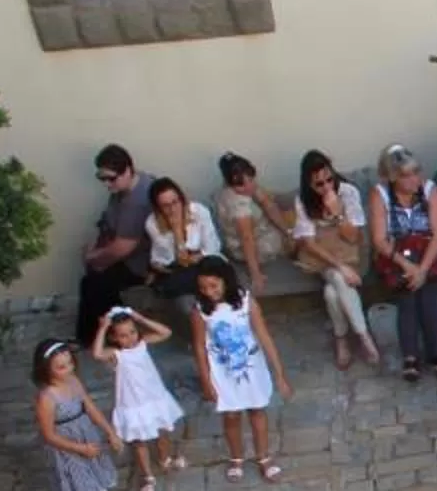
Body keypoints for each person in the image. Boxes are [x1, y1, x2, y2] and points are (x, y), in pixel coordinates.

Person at [188, 257, 286, 483]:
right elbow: (200, 348)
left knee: (257, 411)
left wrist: (278, 372)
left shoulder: (245, 301)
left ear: (226, 281)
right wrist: (205, 380)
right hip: (223, 371)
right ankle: (236, 457)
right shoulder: (200, 311)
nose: (209, 292)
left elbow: (263, 335)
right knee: (231, 415)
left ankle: (263, 456)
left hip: (252, 366)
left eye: (214, 286)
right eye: (203, 287)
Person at [29, 340, 123, 491]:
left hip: (88, 437)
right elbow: (49, 435)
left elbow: (90, 407)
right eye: (61, 367)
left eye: (70, 364)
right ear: (46, 370)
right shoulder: (47, 398)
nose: (68, 370)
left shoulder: (73, 382)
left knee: (96, 486)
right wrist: (79, 448)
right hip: (69, 448)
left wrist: (109, 431)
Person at [367, 147, 437, 384]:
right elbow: (379, 239)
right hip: (397, 258)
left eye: (416, 172)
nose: (415, 179)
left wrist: (422, 269)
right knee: (407, 300)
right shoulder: (380, 195)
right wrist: (408, 266)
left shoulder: (431, 191)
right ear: (393, 177)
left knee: (429, 300)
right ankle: (411, 356)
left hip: (429, 256)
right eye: (407, 175)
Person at [288, 152, 379, 370]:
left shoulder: (348, 192)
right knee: (339, 277)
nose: (327, 187)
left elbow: (354, 237)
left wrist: (337, 213)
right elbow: (309, 243)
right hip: (323, 257)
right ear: (309, 184)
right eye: (319, 184)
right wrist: (340, 266)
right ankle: (365, 337)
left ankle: (342, 340)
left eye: (330, 179)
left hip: (352, 252)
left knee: (332, 293)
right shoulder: (303, 200)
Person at [92, 306, 184, 491]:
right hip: (133, 402)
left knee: (162, 432)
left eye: (132, 332)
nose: (130, 338)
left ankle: (164, 458)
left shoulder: (143, 343)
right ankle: (148, 476)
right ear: (115, 338)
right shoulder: (116, 354)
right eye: (123, 335)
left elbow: (165, 332)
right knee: (139, 441)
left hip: (154, 397)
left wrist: (140, 318)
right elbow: (97, 354)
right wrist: (103, 327)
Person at [74, 146, 154, 348]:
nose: (107, 184)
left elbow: (123, 247)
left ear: (128, 170)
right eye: (102, 179)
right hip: (128, 254)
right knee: (94, 278)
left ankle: (99, 337)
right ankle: (111, 331)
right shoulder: (124, 188)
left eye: (111, 178)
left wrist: (92, 257)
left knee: (96, 283)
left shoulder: (138, 201)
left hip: (143, 262)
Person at [211, 153, 297, 300]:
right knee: (303, 231)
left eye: (250, 180)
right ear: (230, 183)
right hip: (253, 245)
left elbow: (267, 204)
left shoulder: (244, 186)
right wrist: (255, 274)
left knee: (286, 214)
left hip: (262, 229)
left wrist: (287, 230)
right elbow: (247, 238)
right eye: (242, 184)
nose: (248, 186)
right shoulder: (238, 206)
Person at [142, 176, 222, 329]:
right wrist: (178, 231)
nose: (173, 209)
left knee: (214, 269)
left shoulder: (199, 211)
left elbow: (212, 247)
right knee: (175, 280)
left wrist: (196, 256)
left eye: (175, 202)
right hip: (176, 268)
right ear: (158, 207)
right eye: (165, 206)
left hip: (205, 261)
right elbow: (172, 260)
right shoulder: (152, 223)